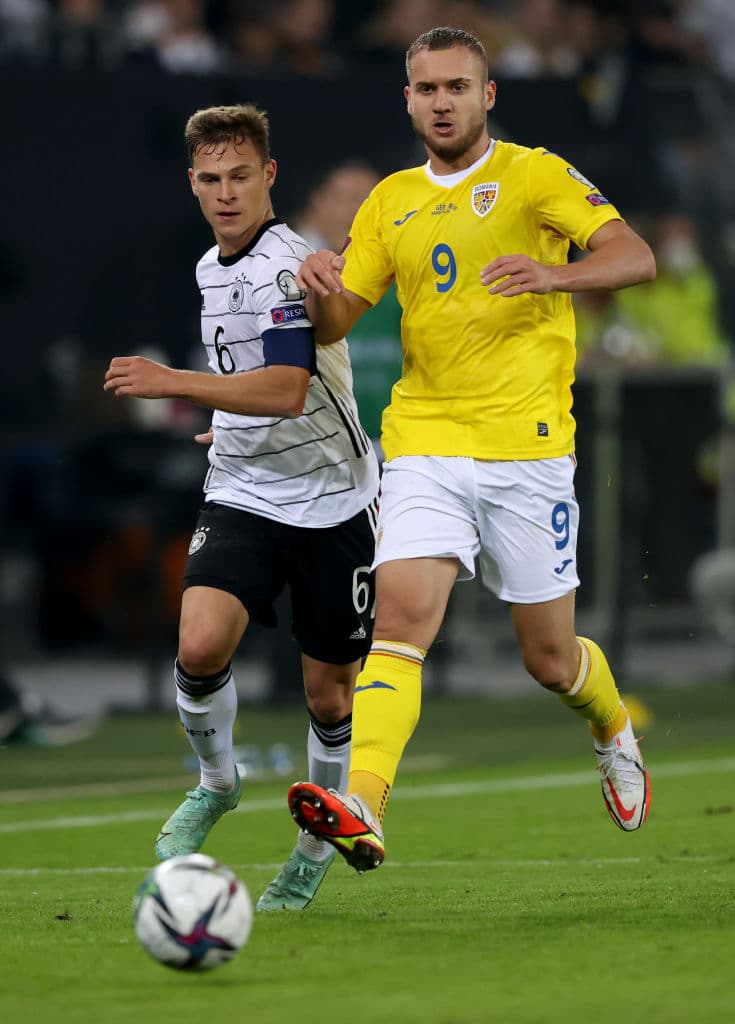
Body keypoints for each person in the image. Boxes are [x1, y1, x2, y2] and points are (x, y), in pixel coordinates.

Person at [285, 26, 656, 875]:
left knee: (549, 659)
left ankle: (609, 726)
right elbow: (343, 317)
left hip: (527, 451)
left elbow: (631, 256)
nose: (441, 101)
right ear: (407, 99)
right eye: (426, 88)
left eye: (457, 86)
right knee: (401, 622)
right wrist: (319, 292)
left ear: (488, 95)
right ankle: (363, 806)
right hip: (424, 440)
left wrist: (551, 274)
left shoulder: (535, 174)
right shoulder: (389, 200)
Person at [103, 103, 380, 908]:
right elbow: (253, 384)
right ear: (193, 183)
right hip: (245, 490)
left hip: (332, 501)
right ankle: (218, 783)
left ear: (269, 177)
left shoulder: (287, 265)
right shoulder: (207, 267)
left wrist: (174, 383)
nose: (226, 193)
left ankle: (312, 848)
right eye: (211, 179)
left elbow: (289, 390)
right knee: (197, 645)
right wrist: (223, 423)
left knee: (329, 695)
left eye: (240, 176)